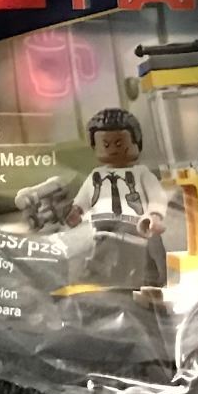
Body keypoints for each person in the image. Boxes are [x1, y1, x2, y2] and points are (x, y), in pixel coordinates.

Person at [68, 107, 167, 288]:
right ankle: (100, 276)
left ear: (136, 143)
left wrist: (155, 215)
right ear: (95, 147)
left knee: (146, 252)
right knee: (100, 253)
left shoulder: (142, 174)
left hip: (136, 224)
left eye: (119, 144)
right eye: (106, 145)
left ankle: (150, 276)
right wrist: (77, 211)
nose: (113, 150)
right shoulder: (95, 176)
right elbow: (83, 199)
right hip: (102, 226)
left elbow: (157, 196)